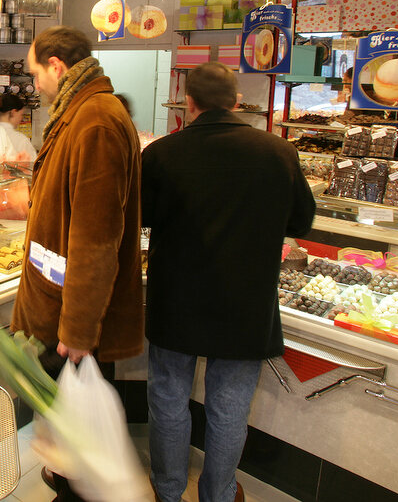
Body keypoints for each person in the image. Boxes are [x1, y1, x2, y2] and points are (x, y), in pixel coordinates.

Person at [141, 62, 316, 502]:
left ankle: (168, 490)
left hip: (176, 298)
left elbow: (141, 218)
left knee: (167, 399)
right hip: (246, 302)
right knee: (230, 408)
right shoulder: (277, 151)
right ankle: (218, 494)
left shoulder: (161, 154)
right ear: (237, 102)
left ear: (190, 102)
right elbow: (302, 220)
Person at [10, 26, 143, 498]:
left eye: (35, 75)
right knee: (66, 439)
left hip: (73, 320)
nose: (34, 86)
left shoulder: (97, 122)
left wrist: (79, 330)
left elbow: (95, 237)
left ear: (57, 67)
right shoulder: (78, 112)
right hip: (59, 306)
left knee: (79, 443)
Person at [0, 92, 37, 162]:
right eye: (21, 114)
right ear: (13, 112)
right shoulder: (21, 139)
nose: (21, 119)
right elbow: (33, 166)